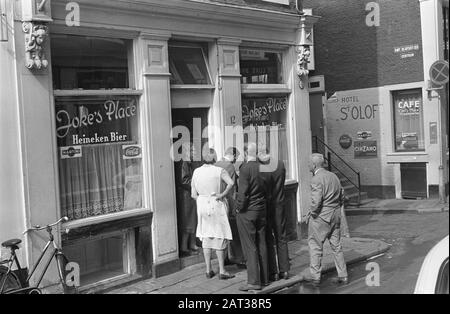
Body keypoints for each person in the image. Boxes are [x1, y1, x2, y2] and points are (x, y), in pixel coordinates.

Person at [304, 153, 348, 287]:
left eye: (308, 163)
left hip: (321, 218)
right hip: (335, 215)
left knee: (315, 246)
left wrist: (311, 213)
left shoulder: (316, 179)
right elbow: (342, 194)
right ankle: (343, 275)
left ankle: (315, 277)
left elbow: (316, 202)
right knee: (336, 246)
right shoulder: (333, 176)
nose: (307, 165)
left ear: (313, 165)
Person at [191, 148, 235, 280]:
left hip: (202, 204)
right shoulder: (219, 170)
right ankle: (222, 270)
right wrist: (222, 194)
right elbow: (231, 183)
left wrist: (201, 199)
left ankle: (208, 269)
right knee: (219, 235)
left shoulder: (196, 171)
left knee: (206, 236)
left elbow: (193, 194)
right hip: (216, 203)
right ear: (215, 158)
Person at [235, 143, 270, 291]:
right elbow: (268, 188)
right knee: (261, 243)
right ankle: (265, 278)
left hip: (248, 211)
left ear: (245, 152)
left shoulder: (245, 168)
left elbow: (242, 193)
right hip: (261, 209)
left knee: (249, 246)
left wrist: (238, 208)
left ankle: (254, 282)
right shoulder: (264, 167)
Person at [258, 146, 290, 282]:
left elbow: (262, 189)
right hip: (280, 204)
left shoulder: (261, 168)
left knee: (268, 238)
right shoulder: (280, 163)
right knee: (281, 236)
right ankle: (285, 270)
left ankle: (273, 272)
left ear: (260, 153)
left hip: (266, 206)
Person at [215, 147, 246, 267]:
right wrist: (234, 207)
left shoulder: (216, 163)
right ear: (232, 155)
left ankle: (225, 257)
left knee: (221, 232)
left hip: (217, 201)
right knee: (234, 231)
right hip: (227, 201)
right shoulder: (230, 166)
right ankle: (238, 258)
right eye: (236, 157)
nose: (235, 160)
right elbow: (232, 188)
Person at [175, 142, 199, 257]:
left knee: (192, 219)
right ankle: (184, 246)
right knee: (188, 221)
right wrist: (195, 185)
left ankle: (192, 244)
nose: (195, 152)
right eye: (193, 150)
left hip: (190, 195)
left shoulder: (189, 162)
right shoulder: (184, 162)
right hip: (186, 196)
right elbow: (183, 180)